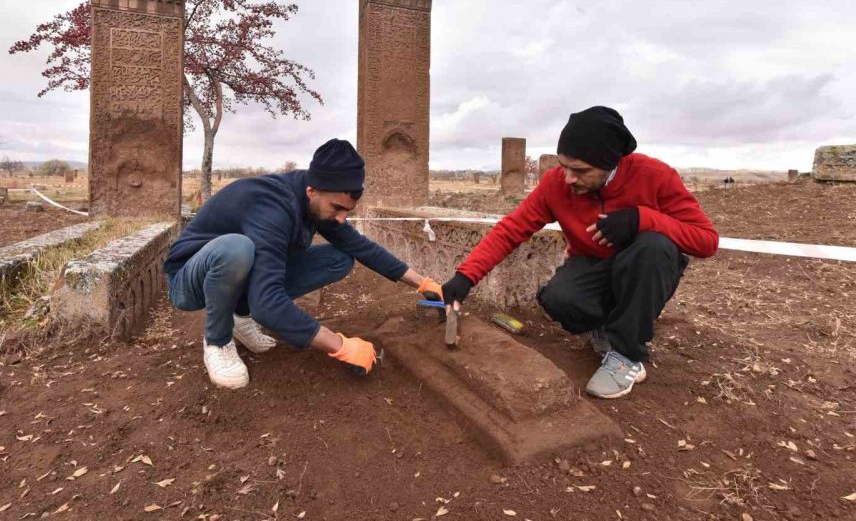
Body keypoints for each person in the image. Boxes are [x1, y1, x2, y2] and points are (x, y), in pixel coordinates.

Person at [431, 107, 719, 399]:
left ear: (610, 163)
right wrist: (465, 277)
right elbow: (510, 230)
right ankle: (607, 329)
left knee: (653, 247)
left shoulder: (655, 176)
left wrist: (641, 219)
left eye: (580, 171)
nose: (568, 178)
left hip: (645, 266)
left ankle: (627, 355)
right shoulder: (556, 184)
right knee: (559, 299)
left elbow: (707, 241)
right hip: (593, 263)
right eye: (564, 166)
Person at [163, 138, 440, 389]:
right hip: (190, 280)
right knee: (237, 249)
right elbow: (268, 302)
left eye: (348, 211)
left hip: (232, 274)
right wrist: (340, 345)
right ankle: (218, 339)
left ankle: (239, 316)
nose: (342, 218)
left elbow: (360, 246)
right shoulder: (272, 207)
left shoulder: (318, 201)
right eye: (337, 209)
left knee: (339, 258)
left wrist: (424, 283)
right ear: (311, 191)